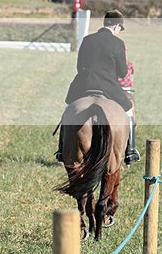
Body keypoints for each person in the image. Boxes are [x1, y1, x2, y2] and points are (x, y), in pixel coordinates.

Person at [58, 10, 140, 164]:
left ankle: (62, 149)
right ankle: (130, 151)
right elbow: (122, 73)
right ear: (116, 26)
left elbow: (79, 66)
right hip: (109, 87)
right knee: (129, 111)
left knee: (69, 110)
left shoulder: (87, 39)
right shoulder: (118, 43)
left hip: (84, 85)